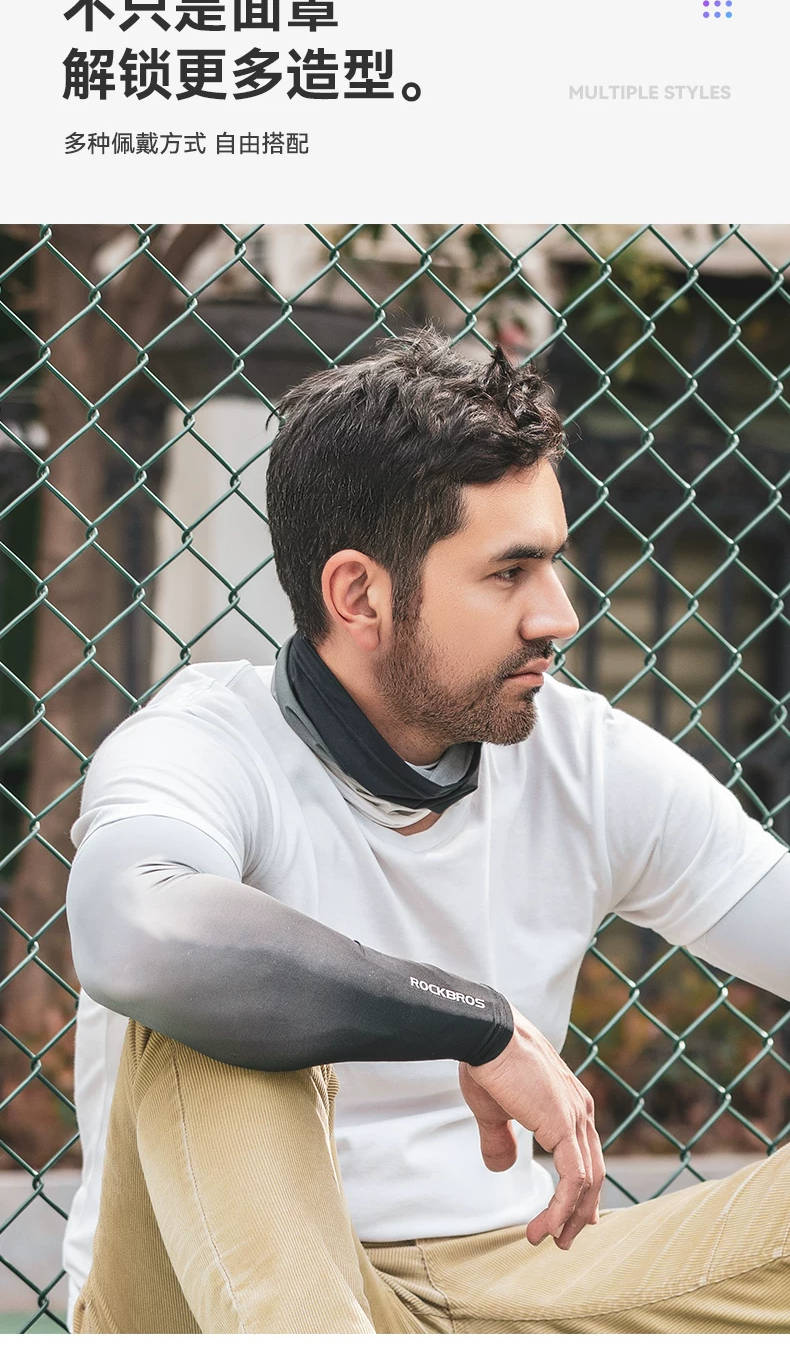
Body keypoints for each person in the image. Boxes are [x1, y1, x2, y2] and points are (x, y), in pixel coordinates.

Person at [64, 327, 790, 1333]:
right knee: (203, 1003)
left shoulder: (583, 757)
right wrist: (473, 1022)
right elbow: (136, 933)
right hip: (218, 1293)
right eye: (509, 572)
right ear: (358, 594)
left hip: (515, 1274)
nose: (559, 615)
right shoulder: (205, 744)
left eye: (554, 563)